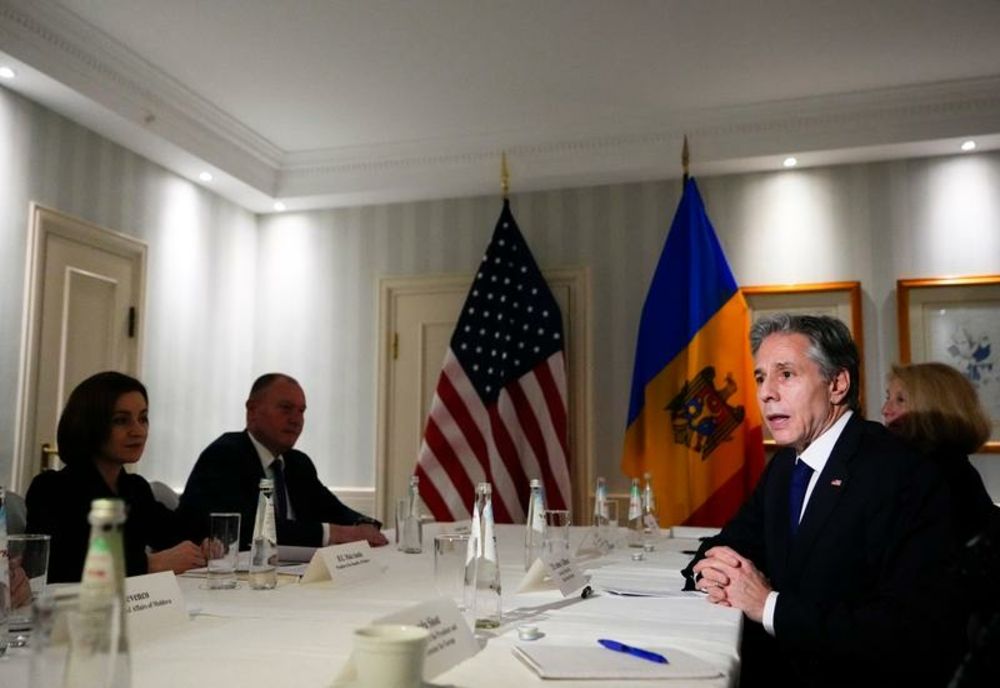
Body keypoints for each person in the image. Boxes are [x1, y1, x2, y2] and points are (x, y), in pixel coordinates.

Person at [683, 314, 961, 687]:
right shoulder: (785, 465)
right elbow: (731, 542)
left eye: (786, 374)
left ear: (837, 384)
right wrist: (710, 572)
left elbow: (908, 630)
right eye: (761, 377)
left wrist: (768, 606)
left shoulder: (901, 472)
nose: (766, 393)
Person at [26, 372, 206, 582]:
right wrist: (149, 564)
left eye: (143, 418)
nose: (138, 431)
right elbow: (58, 567)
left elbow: (176, 534)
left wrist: (205, 544)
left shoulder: (135, 488)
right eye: (121, 421)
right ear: (90, 425)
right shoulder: (52, 489)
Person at [177, 373, 388, 549]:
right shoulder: (225, 455)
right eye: (286, 408)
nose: (296, 420)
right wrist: (335, 533)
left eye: (301, 411)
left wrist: (364, 524)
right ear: (252, 410)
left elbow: (334, 510)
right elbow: (251, 530)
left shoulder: (298, 463)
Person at [882, 362, 995, 545]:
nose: (885, 410)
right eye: (888, 397)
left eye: (901, 400)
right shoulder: (945, 466)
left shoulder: (932, 473)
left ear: (936, 408)